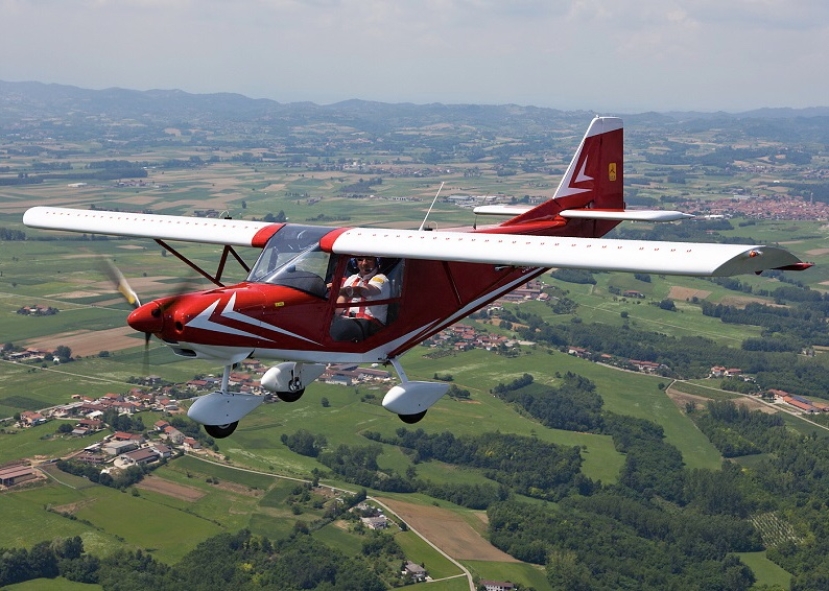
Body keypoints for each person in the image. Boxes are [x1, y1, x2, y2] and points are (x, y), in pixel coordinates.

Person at [330, 256, 390, 341]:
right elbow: (342, 300)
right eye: (360, 260)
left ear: (377, 262)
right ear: (355, 263)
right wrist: (331, 316)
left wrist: (338, 290)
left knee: (342, 328)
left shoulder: (381, 279)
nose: (364, 263)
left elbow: (365, 291)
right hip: (348, 320)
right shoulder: (352, 279)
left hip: (371, 325)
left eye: (369, 259)